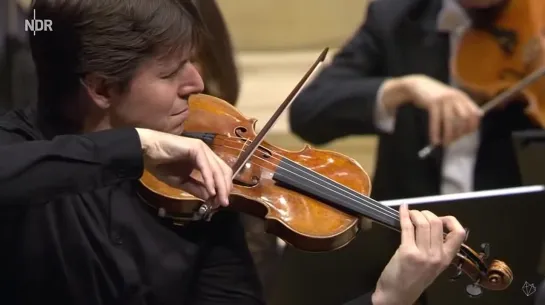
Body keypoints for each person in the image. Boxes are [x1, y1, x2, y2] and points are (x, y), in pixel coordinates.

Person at [0, 0, 466, 304]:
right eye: (170, 73)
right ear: (101, 88)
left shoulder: (200, 190)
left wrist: (386, 299)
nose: (197, 83)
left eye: (192, 61)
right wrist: (136, 144)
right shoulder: (20, 152)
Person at [288, 0, 537, 201]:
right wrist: (401, 89)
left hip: (519, 231)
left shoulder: (537, 20)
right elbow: (307, 112)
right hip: (410, 231)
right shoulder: (396, 18)